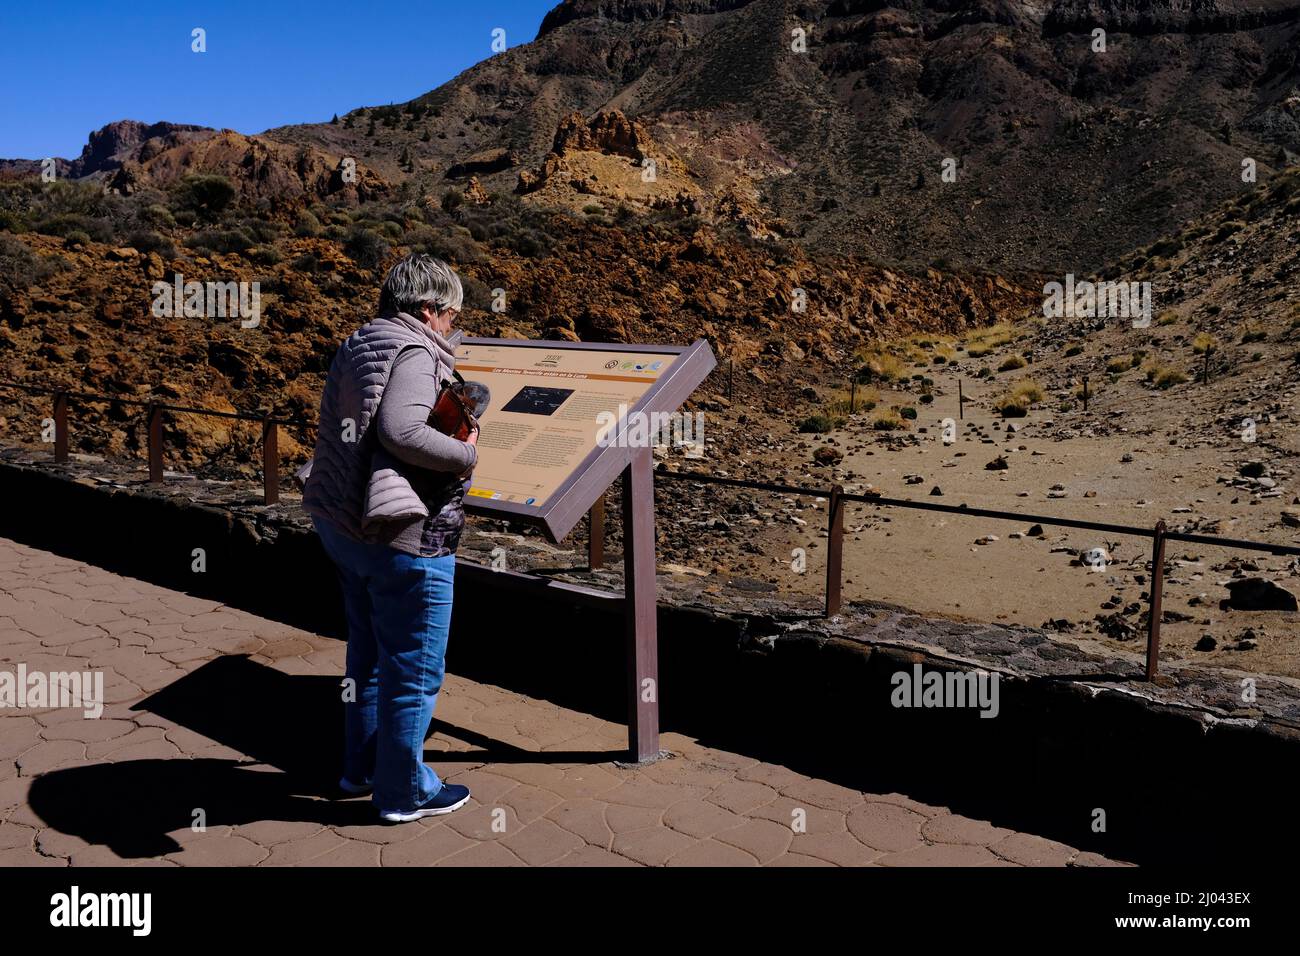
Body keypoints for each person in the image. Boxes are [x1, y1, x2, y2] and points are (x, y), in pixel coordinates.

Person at [302, 253, 478, 823]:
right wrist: (465, 452)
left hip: (346, 524)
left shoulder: (359, 342)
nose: (452, 325)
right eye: (451, 315)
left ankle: (361, 768)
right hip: (404, 535)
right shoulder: (417, 350)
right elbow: (401, 429)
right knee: (415, 668)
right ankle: (405, 793)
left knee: (369, 657)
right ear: (428, 310)